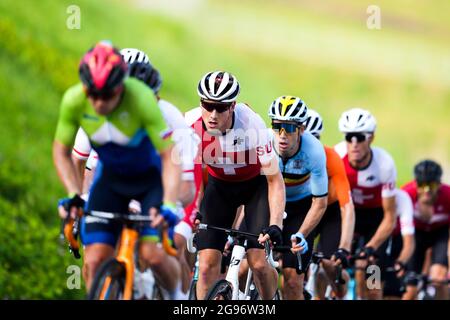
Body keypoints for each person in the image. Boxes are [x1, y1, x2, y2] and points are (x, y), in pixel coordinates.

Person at [53, 41, 182, 291]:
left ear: (121, 87)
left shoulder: (142, 99)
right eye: (93, 94)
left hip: (149, 181)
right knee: (94, 259)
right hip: (110, 181)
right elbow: (62, 151)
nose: (99, 103)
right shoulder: (74, 100)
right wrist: (73, 194)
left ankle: (178, 298)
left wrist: (168, 203)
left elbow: (170, 157)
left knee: (152, 254)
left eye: (107, 95)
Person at [186, 71, 286, 300]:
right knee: (206, 266)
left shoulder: (252, 124)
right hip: (219, 188)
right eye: (207, 105)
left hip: (255, 188)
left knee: (259, 263)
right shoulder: (189, 124)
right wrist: (192, 210)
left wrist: (276, 225)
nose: (212, 114)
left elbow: (274, 180)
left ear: (232, 106)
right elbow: (191, 175)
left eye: (220, 108)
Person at [268, 97, 328, 300]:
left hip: (299, 208)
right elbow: (248, 190)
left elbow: (320, 202)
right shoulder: (265, 143)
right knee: (243, 266)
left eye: (289, 128)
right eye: (277, 126)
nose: (282, 135)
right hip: (269, 202)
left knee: (292, 281)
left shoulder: (314, 151)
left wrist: (302, 234)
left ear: (302, 129)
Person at [334, 108, 397, 300]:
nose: (354, 144)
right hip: (346, 214)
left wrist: (371, 247)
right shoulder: (338, 156)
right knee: (331, 266)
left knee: (372, 279)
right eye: (349, 137)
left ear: (371, 138)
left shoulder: (384, 164)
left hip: (375, 220)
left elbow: (390, 217)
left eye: (359, 137)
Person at [303, 109, 355, 299]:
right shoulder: (285, 154)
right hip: (303, 208)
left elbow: (347, 207)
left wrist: (344, 248)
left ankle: (340, 291)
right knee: (291, 270)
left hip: (329, 212)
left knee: (330, 264)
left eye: (314, 139)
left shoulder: (331, 157)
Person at [402, 160, 450, 300]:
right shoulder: (407, 194)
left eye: (432, 185)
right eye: (422, 185)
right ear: (415, 183)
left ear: (439, 185)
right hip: (415, 234)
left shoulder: (448, 196)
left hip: (440, 234)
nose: (427, 190)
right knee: (410, 285)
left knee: (439, 279)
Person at [382, 188, 415, 299]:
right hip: (375, 247)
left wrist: (401, 262)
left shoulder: (402, 199)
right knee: (373, 289)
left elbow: (409, 242)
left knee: (393, 292)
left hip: (396, 243)